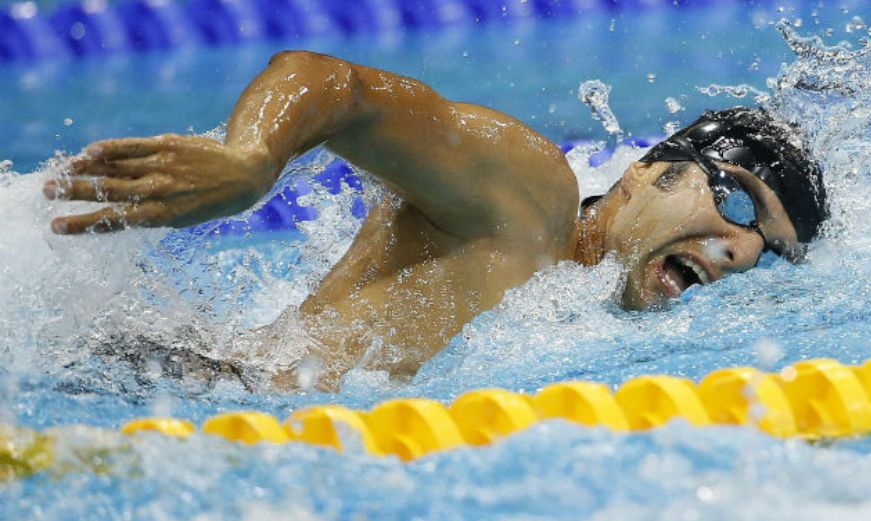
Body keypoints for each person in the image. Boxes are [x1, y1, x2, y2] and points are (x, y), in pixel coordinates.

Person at [42, 51, 827, 391]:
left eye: (766, 250)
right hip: (184, 391)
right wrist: (252, 162)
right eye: (737, 202)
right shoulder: (528, 199)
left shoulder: (598, 324)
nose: (736, 250)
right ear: (650, 170)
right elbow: (336, 85)